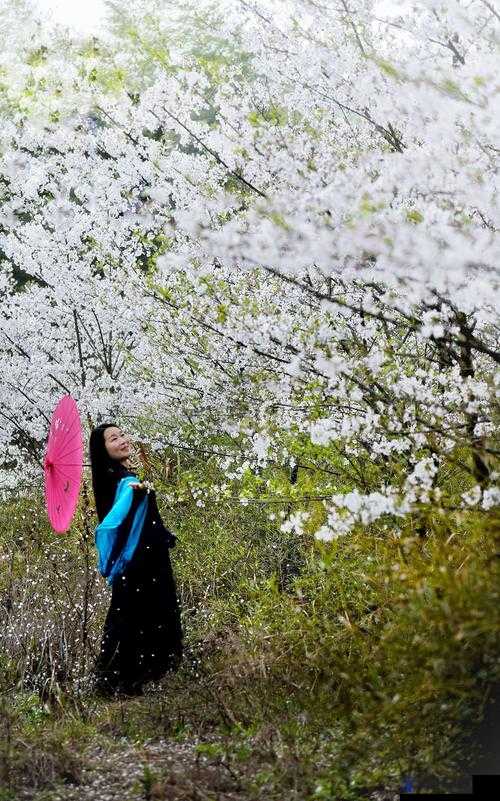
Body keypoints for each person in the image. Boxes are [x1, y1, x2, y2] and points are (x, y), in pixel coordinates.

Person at [89, 422, 183, 697]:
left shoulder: (124, 477)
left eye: (122, 434)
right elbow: (113, 521)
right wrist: (134, 491)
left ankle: (149, 675)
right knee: (132, 615)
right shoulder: (116, 480)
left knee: (147, 611)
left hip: (151, 557)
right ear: (102, 449)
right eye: (113, 438)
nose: (122, 440)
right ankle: (123, 681)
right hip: (136, 561)